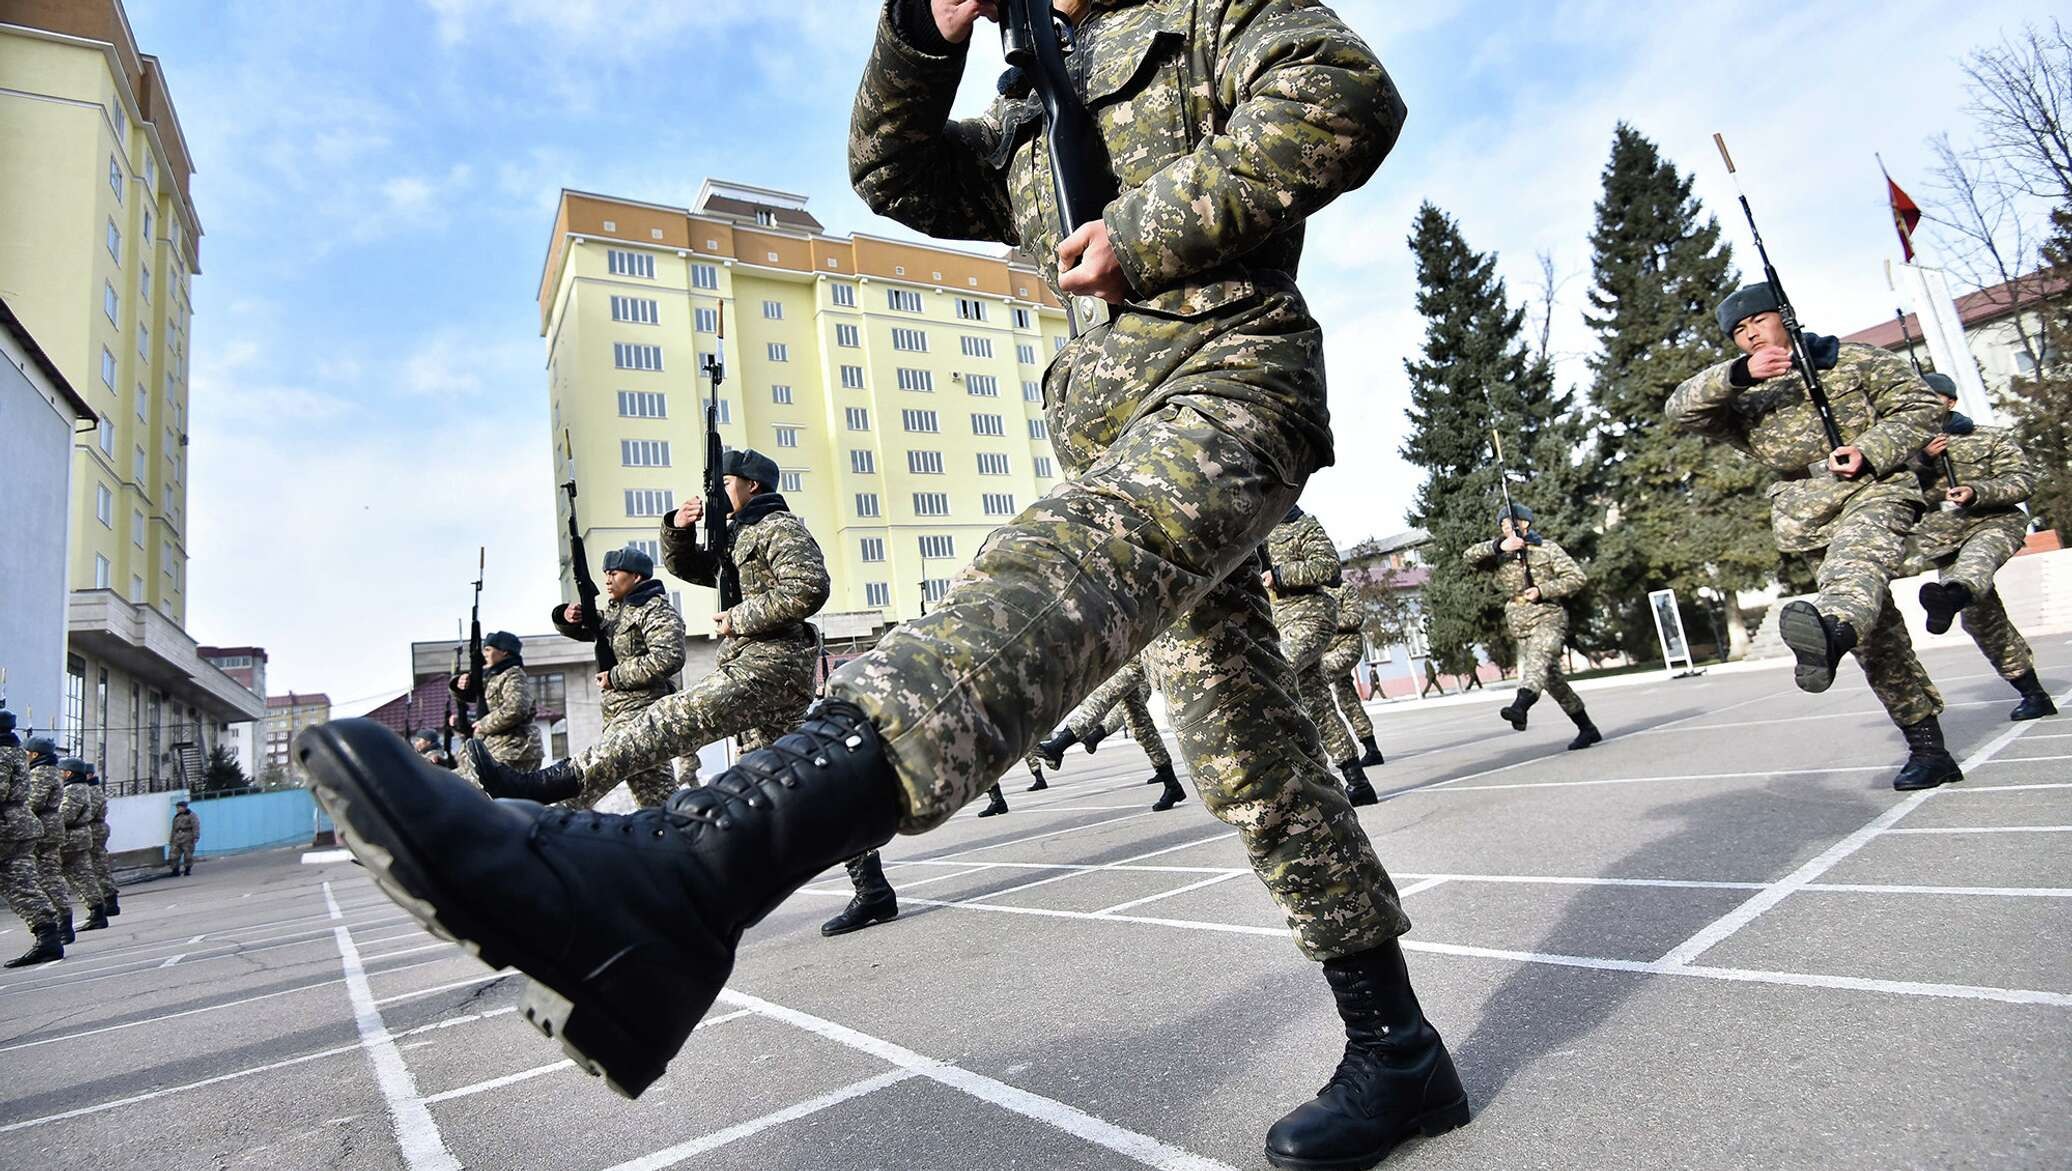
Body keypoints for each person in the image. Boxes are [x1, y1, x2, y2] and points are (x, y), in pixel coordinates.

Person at [302, 5, 1465, 1168]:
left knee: (1037, 581)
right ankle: (1396, 1048)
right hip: (1114, 437)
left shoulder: (1204, 10)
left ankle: (691, 870)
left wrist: (1136, 231)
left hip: (1228, 387)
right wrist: (924, 23)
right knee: (1248, 755)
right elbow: (891, 169)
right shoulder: (1026, 88)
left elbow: (1343, 96)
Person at [1669, 283, 1951, 789]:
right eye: (1739, 331)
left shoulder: (1853, 359)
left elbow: (1923, 407)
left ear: (1785, 315)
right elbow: (1679, 410)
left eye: (1758, 320)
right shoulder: (1743, 392)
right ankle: (1929, 751)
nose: (1751, 334)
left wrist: (1870, 448)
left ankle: (1833, 631)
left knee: (1855, 568)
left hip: (1875, 489)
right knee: (1879, 638)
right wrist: (1736, 375)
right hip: (1808, 515)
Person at [1905, 374, 2057, 721]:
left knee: (1976, 562)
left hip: (1994, 524)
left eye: (1934, 397)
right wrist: (1923, 461)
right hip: (1946, 542)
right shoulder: (1908, 453)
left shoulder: (1989, 438)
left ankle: (1951, 597)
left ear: (1950, 401)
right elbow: (1896, 492)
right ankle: (2032, 693)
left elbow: (2022, 481)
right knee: (1982, 621)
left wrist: (1977, 491)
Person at [550, 544, 690, 808]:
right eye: (605, 573)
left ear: (636, 576)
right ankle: (679, 834)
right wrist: (566, 615)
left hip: (641, 713)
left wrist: (616, 677)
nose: (607, 580)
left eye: (614, 573)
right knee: (657, 796)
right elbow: (588, 627)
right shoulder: (618, 611)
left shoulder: (655, 609)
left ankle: (544, 816)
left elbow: (669, 656)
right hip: (618, 712)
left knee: (595, 771)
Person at [1462, 504, 1601, 750]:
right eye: (1502, 524)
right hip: (1520, 621)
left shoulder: (1546, 549)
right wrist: (1498, 547)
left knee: (1538, 658)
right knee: (1553, 681)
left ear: (1524, 524)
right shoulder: (1500, 554)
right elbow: (1469, 557)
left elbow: (1577, 577)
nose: (1505, 527)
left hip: (1548, 615)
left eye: (1510, 522)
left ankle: (1520, 705)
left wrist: (1543, 590)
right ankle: (1587, 728)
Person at [1265, 508, 1380, 805]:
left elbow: (1329, 567)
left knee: (1271, 674)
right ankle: (1357, 780)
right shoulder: (1252, 533)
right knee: (1318, 704)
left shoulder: (1300, 524)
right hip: (1278, 625)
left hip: (1310, 616)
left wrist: (1279, 574)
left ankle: (1298, 779)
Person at [1034, 657, 1187, 811]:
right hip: (1126, 658)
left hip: (1140, 655)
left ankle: (1061, 744)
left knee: (1105, 694)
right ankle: (1171, 784)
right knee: (1139, 725)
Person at [1, 710, 62, 968]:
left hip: (5, 824)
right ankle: (48, 937)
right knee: (20, 884)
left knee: (19, 883)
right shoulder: (15, 752)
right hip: (21, 824)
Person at [451, 631, 544, 776]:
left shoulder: (513, 675)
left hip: (514, 750)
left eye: (488, 649)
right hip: (496, 748)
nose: (484, 654)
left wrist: (483, 724)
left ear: (504, 652)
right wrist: (459, 684)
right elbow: (474, 696)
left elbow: (516, 709)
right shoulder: (491, 677)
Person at [1323, 582, 1385, 765]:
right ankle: (1371, 749)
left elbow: (1355, 617)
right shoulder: (1310, 591)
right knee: (1347, 699)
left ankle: (1345, 759)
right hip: (1324, 651)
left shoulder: (1343, 588)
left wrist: (1325, 620)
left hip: (1345, 648)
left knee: (1312, 686)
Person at [21, 736, 72, 945]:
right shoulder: (51, 771)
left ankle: (62, 924)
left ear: (34, 754)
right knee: (50, 874)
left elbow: (34, 801)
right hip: (50, 826)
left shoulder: (41, 773)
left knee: (47, 876)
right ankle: (64, 923)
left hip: (43, 828)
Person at [58, 758, 106, 932]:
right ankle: (97, 913)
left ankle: (93, 914)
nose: (59, 774)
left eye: (61, 771)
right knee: (83, 876)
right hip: (79, 836)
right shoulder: (82, 788)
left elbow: (65, 815)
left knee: (63, 876)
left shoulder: (73, 790)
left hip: (71, 837)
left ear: (68, 773)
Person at [84, 761, 117, 914]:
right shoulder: (89, 789)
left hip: (95, 830)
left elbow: (88, 813)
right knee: (96, 866)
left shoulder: (93, 791)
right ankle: (106, 900)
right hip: (94, 829)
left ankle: (110, 901)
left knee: (99, 866)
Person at [168, 800, 200, 877]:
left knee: (188, 854)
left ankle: (187, 869)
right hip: (177, 837)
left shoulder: (191, 815)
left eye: (179, 807)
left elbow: (195, 826)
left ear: (184, 807)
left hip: (187, 836)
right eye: (177, 808)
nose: (178, 809)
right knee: (173, 854)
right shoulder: (176, 817)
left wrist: (196, 836)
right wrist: (171, 839)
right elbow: (173, 828)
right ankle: (175, 870)